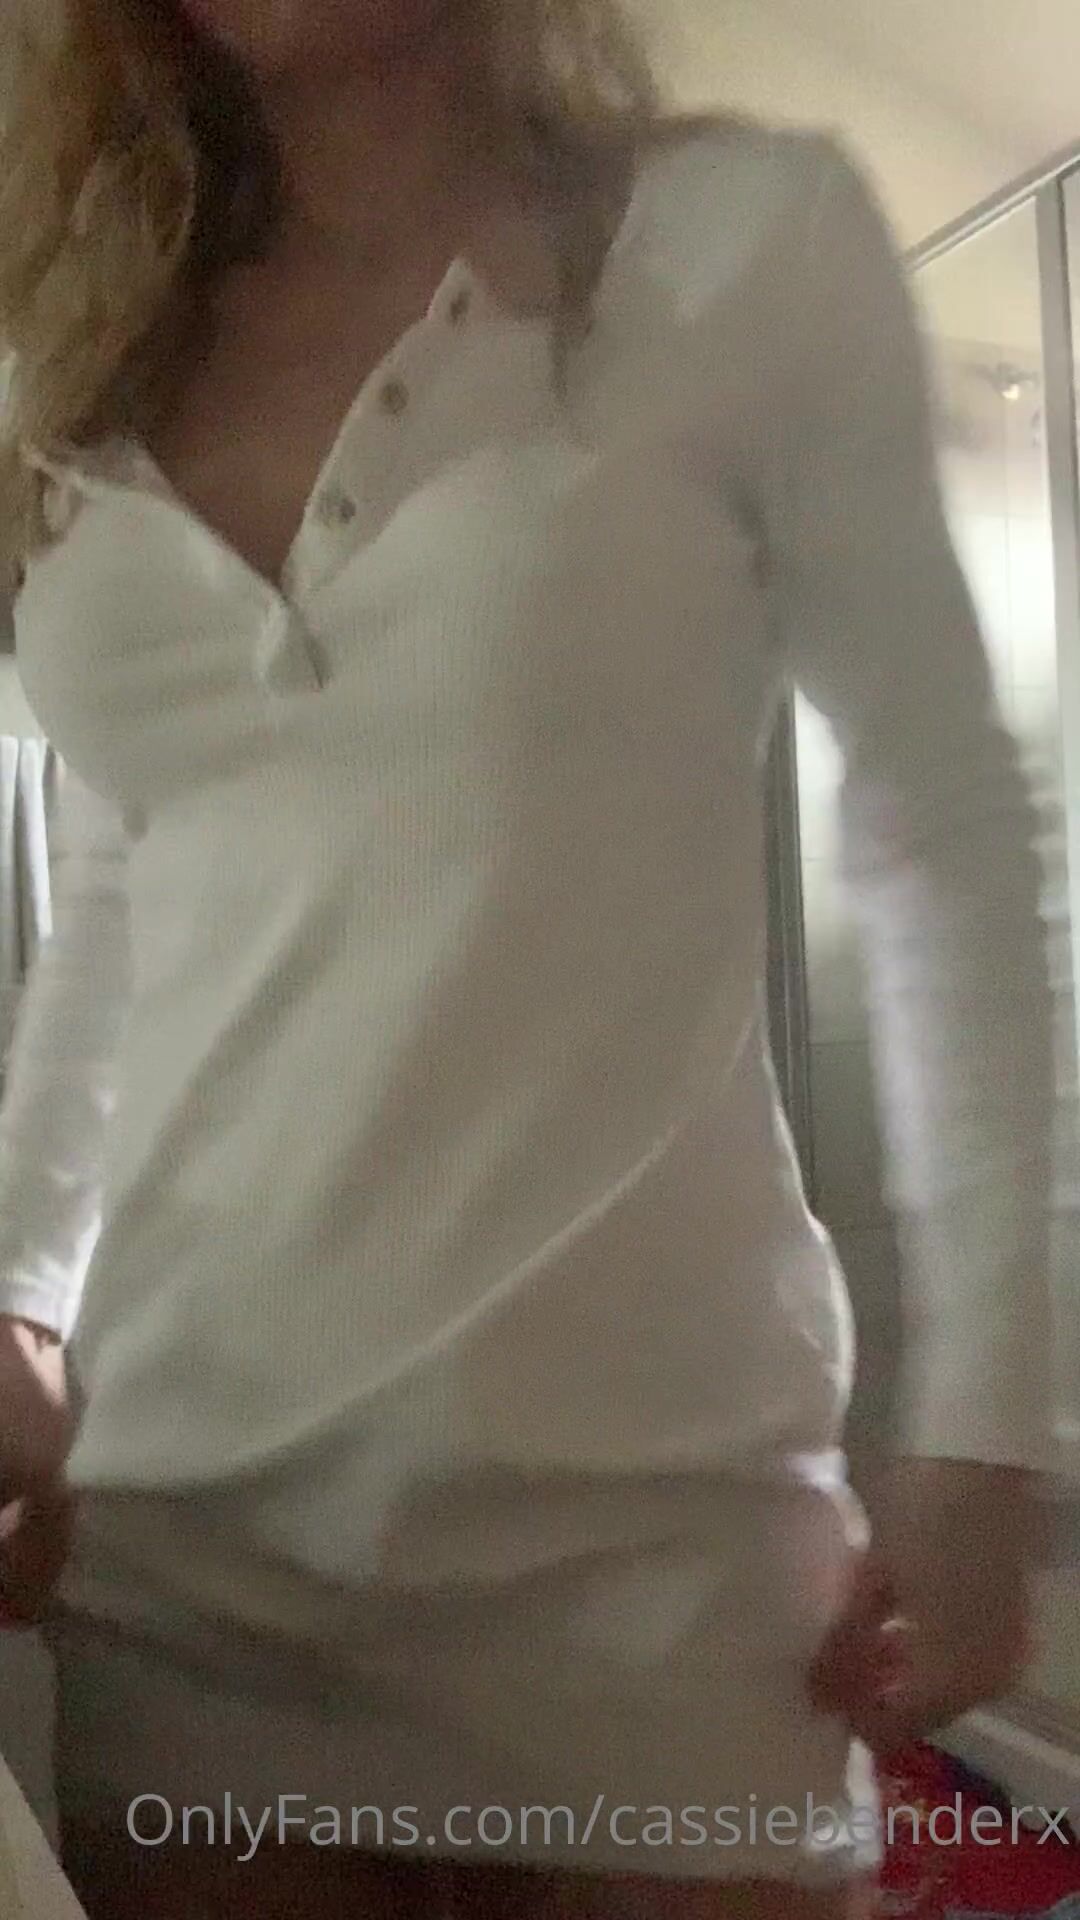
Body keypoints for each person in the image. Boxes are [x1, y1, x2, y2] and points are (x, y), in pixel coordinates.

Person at [0, 0, 1055, 1914]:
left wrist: (987, 1423)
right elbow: (123, 889)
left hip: (654, 1569)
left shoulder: (739, 241)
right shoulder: (71, 362)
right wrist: (17, 1296)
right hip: (185, 1562)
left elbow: (942, 829)